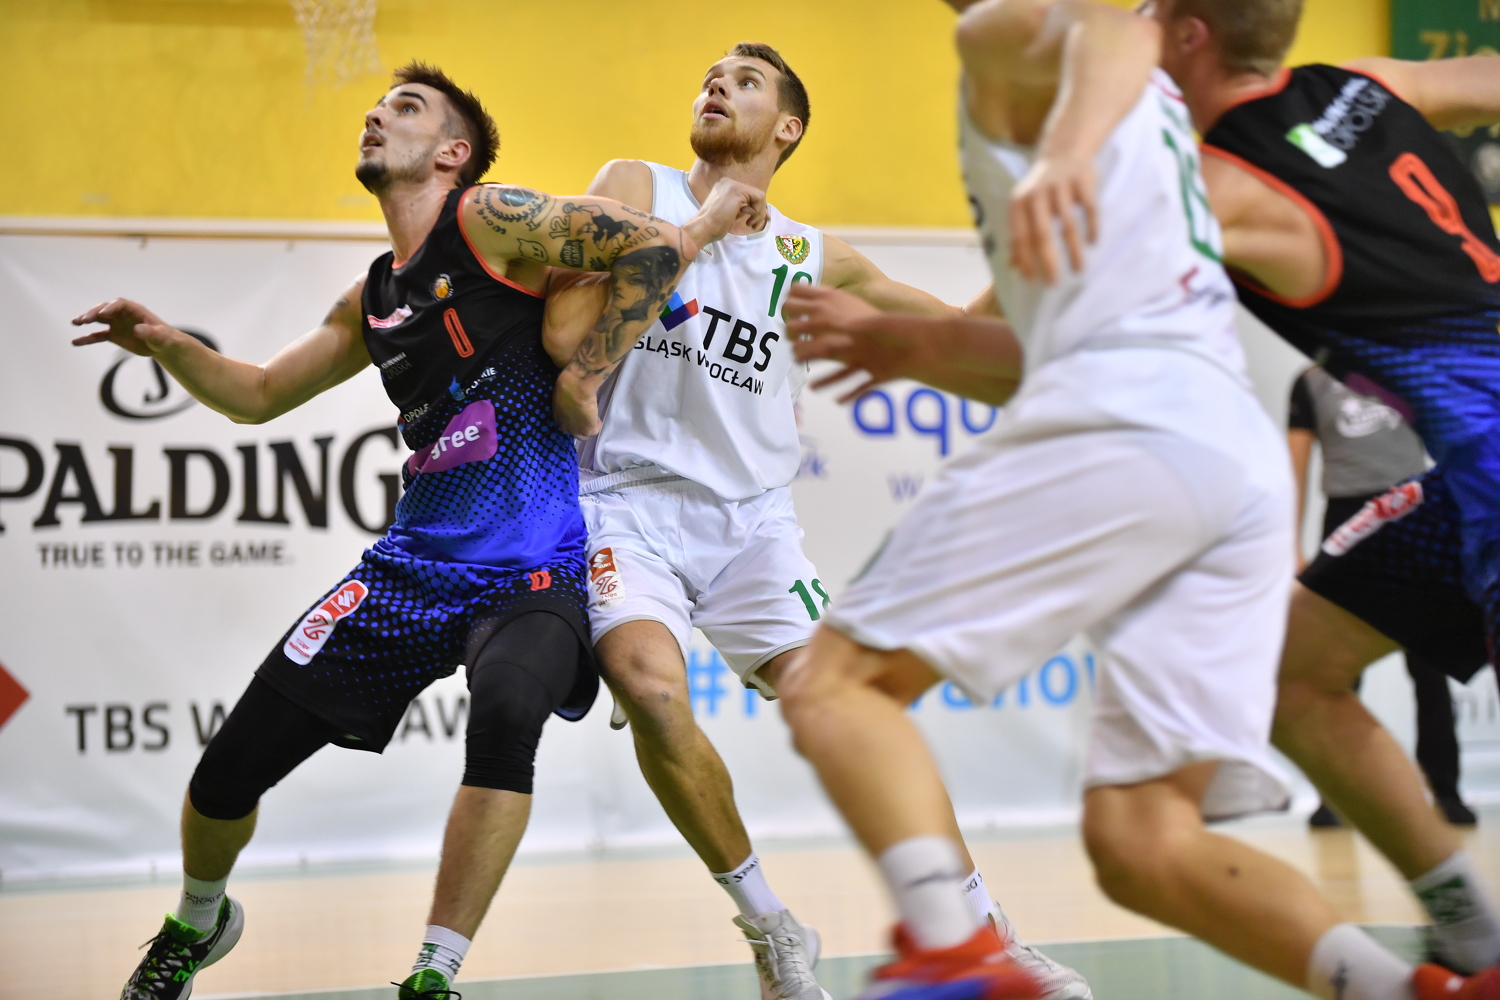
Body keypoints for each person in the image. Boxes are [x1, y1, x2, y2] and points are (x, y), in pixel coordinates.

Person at [774, 0, 1499, 997]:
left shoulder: (1203, 169)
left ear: (1184, 30)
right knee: (1186, 791)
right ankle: (1459, 955)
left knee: (838, 684)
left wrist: (1057, 166)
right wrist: (914, 340)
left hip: (1214, 431)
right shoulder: (1349, 91)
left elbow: (1047, 327)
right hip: (1309, 461)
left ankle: (950, 948)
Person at [74, 62, 762, 1000]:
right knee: (227, 773)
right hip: (408, 572)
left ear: (452, 153)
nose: (375, 115)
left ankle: (434, 973)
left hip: (530, 565)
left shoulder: (490, 217)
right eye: (377, 105)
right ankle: (198, 921)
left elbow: (649, 245)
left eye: (404, 108)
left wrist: (587, 373)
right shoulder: (372, 297)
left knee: (508, 715)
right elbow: (260, 394)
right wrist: (168, 345)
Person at [542, 40, 1090, 1000]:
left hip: (752, 526)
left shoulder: (809, 254)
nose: (716, 85)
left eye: (745, 80)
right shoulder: (636, 185)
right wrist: (696, 232)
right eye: (710, 76)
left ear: (787, 128)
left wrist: (1036, 260)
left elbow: (949, 333)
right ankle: (772, 927)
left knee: (852, 712)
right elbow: (563, 334)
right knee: (649, 688)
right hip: (623, 503)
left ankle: (982, 932)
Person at [1144, 0, 1500, 981]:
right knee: (1290, 672)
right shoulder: (1364, 84)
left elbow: (1033, 344)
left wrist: (909, 338)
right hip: (1468, 481)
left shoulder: (1216, 188)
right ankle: (1474, 935)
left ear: (1187, 35)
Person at [1287, 366, 1480, 829]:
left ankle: (1446, 792)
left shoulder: (1405, 368)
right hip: (1346, 516)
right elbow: (1294, 465)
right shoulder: (1311, 382)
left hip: (1411, 510)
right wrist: (1290, 543)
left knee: (1428, 669)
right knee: (1334, 671)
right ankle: (1334, 797)